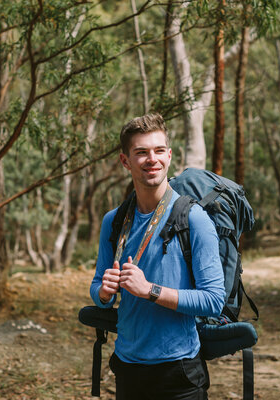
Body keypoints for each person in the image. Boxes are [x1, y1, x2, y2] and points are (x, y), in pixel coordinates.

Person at [89, 113, 225, 400]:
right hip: (127, 368)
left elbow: (213, 300)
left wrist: (149, 290)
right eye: (141, 152)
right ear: (126, 161)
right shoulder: (114, 222)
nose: (152, 159)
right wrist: (103, 293)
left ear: (169, 155)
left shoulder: (194, 219)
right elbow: (98, 287)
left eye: (159, 150)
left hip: (180, 373)